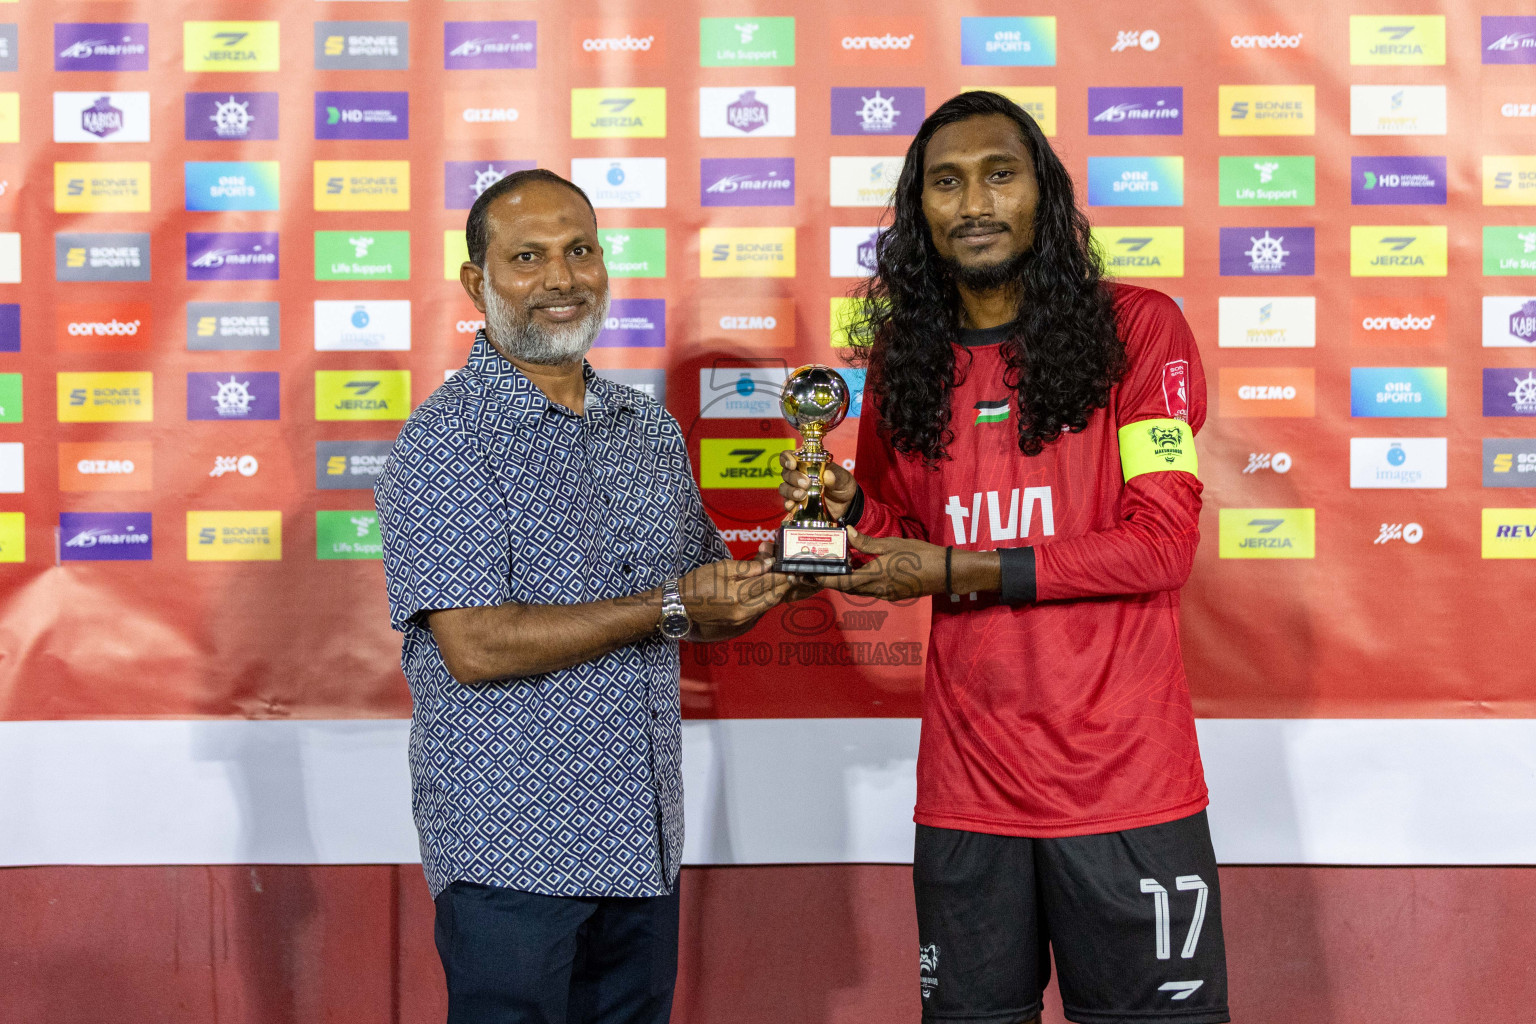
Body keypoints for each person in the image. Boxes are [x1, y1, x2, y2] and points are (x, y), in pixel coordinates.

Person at [775, 91, 1229, 1024]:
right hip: (967, 790)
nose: (973, 202)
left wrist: (953, 573)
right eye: (946, 182)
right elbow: (902, 527)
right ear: (919, 210)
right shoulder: (906, 352)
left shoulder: (1140, 330)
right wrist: (846, 509)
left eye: (998, 175)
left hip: (1123, 786)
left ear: (1044, 195)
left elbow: (1160, 544)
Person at [375, 168, 792, 1024]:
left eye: (580, 251)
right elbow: (477, 646)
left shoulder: (647, 428)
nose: (562, 279)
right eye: (527, 257)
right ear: (476, 282)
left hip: (642, 845)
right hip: (512, 856)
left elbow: (709, 596)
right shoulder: (445, 439)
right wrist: (670, 608)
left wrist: (814, 544)